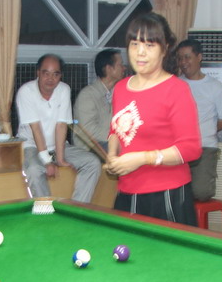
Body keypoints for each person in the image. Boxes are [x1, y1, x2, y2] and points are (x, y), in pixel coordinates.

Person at [105, 13, 202, 225]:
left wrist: (142, 158)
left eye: (149, 45)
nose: (140, 52)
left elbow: (191, 149)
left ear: (164, 48)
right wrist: (112, 156)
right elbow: (116, 130)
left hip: (167, 195)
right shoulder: (120, 88)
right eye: (134, 44)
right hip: (127, 192)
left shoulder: (176, 89)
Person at [16, 54, 101, 202]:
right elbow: (36, 129)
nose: (51, 78)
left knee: (92, 163)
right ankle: (47, 212)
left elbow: (61, 126)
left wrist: (60, 159)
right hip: (32, 146)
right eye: (46, 73)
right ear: (38, 73)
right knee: (34, 170)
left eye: (56, 74)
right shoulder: (26, 91)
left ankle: (76, 207)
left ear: (60, 75)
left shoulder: (64, 89)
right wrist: (47, 162)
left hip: (58, 146)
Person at [176, 39, 222, 202]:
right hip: (178, 148)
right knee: (172, 192)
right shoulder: (175, 84)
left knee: (201, 192)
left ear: (199, 57)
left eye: (187, 57)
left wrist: (207, 129)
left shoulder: (214, 86)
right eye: (180, 58)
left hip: (205, 147)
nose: (183, 62)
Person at [74, 49, 125, 153]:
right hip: (90, 147)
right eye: (120, 65)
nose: (124, 68)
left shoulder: (117, 92)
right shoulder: (87, 95)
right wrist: (119, 137)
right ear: (109, 69)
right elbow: (89, 130)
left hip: (109, 141)